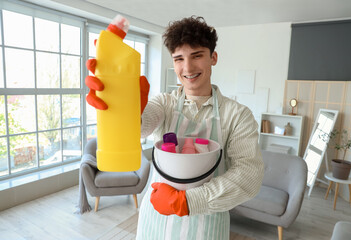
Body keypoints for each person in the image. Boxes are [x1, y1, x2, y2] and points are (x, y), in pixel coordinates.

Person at [86, 16, 264, 240]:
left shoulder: (237, 115)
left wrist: (187, 202)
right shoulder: (164, 104)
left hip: (206, 227)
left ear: (213, 58)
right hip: (155, 224)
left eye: (197, 55)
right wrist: (121, 108)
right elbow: (140, 129)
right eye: (179, 59)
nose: (187, 67)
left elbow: (249, 176)